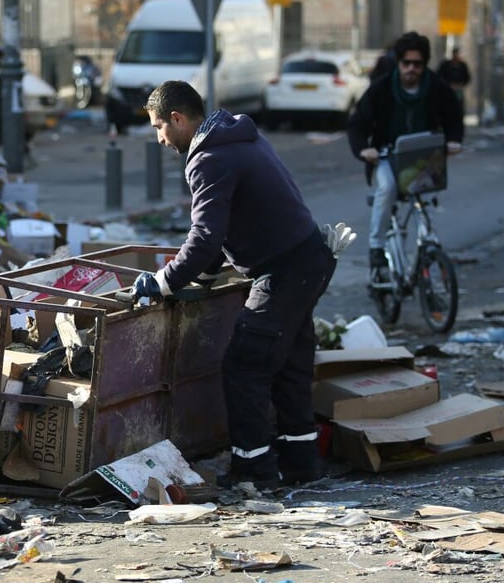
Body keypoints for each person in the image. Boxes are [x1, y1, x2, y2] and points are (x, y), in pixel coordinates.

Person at [132, 81, 349, 489]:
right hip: (309, 260)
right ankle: (302, 465)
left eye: (159, 127)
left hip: (282, 271)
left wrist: (163, 281)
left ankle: (254, 470)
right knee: (289, 364)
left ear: (178, 119)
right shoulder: (238, 136)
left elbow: (205, 236)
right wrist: (203, 272)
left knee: (245, 366)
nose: (159, 138)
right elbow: (226, 227)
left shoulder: (209, 159)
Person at [347, 31, 463, 279]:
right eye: (406, 63)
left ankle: (428, 243)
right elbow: (357, 123)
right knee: (386, 189)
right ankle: (377, 247)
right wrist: (363, 150)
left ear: (425, 64)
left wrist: (454, 141)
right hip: (387, 157)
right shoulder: (381, 89)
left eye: (417, 64)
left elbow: (454, 116)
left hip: (425, 158)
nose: (411, 69)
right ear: (398, 63)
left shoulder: (437, 87)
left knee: (427, 200)